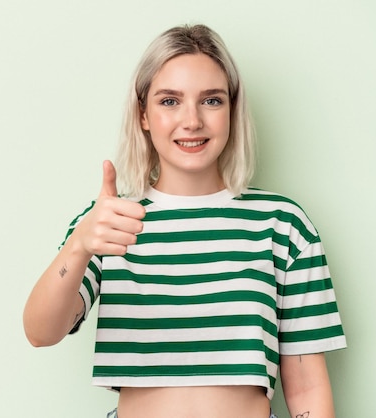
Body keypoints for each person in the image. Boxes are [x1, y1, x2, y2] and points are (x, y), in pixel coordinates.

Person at [23, 24, 346, 418]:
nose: (191, 121)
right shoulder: (109, 222)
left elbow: (309, 389)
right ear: (143, 114)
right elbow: (40, 333)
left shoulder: (282, 225)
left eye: (211, 100)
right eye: (169, 101)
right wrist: (78, 245)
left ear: (232, 110)